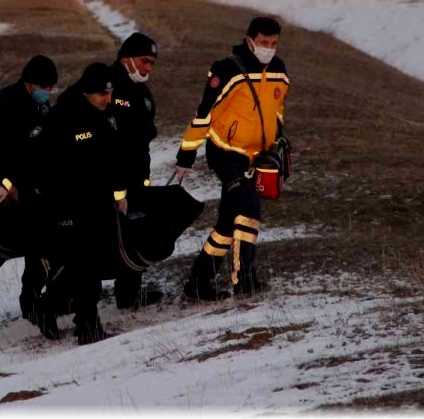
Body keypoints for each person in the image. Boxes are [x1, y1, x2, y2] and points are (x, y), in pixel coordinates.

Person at [174, 17, 289, 300]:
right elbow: (204, 115)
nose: (269, 49)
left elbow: (277, 110)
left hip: (258, 156)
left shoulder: (279, 70)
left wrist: (278, 141)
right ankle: (244, 281)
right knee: (248, 209)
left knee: (227, 223)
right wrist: (186, 155)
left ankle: (198, 283)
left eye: (274, 44)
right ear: (249, 39)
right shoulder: (227, 70)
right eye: (264, 42)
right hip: (226, 153)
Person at [30, 63, 128, 344]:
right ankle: (87, 326)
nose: (107, 100)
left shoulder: (105, 114)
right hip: (68, 204)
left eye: (109, 95)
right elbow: (43, 163)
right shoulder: (62, 117)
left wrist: (118, 195)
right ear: (86, 92)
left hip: (98, 202)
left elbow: (112, 157)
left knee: (86, 264)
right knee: (84, 265)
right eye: (102, 95)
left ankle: (47, 307)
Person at [0, 55, 58, 325]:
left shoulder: (41, 104)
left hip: (37, 187)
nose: (47, 93)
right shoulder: (3, 105)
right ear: (29, 82)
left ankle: (37, 298)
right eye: (44, 87)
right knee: (41, 242)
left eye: (50, 89)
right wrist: (5, 182)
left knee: (45, 243)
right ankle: (33, 301)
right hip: (8, 190)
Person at [108, 33, 165, 309]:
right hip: (105, 177)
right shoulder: (106, 84)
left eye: (152, 64)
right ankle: (76, 297)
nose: (148, 69)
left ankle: (128, 293)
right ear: (126, 57)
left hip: (136, 174)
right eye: (144, 61)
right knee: (97, 237)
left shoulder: (143, 91)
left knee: (136, 230)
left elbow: (144, 134)